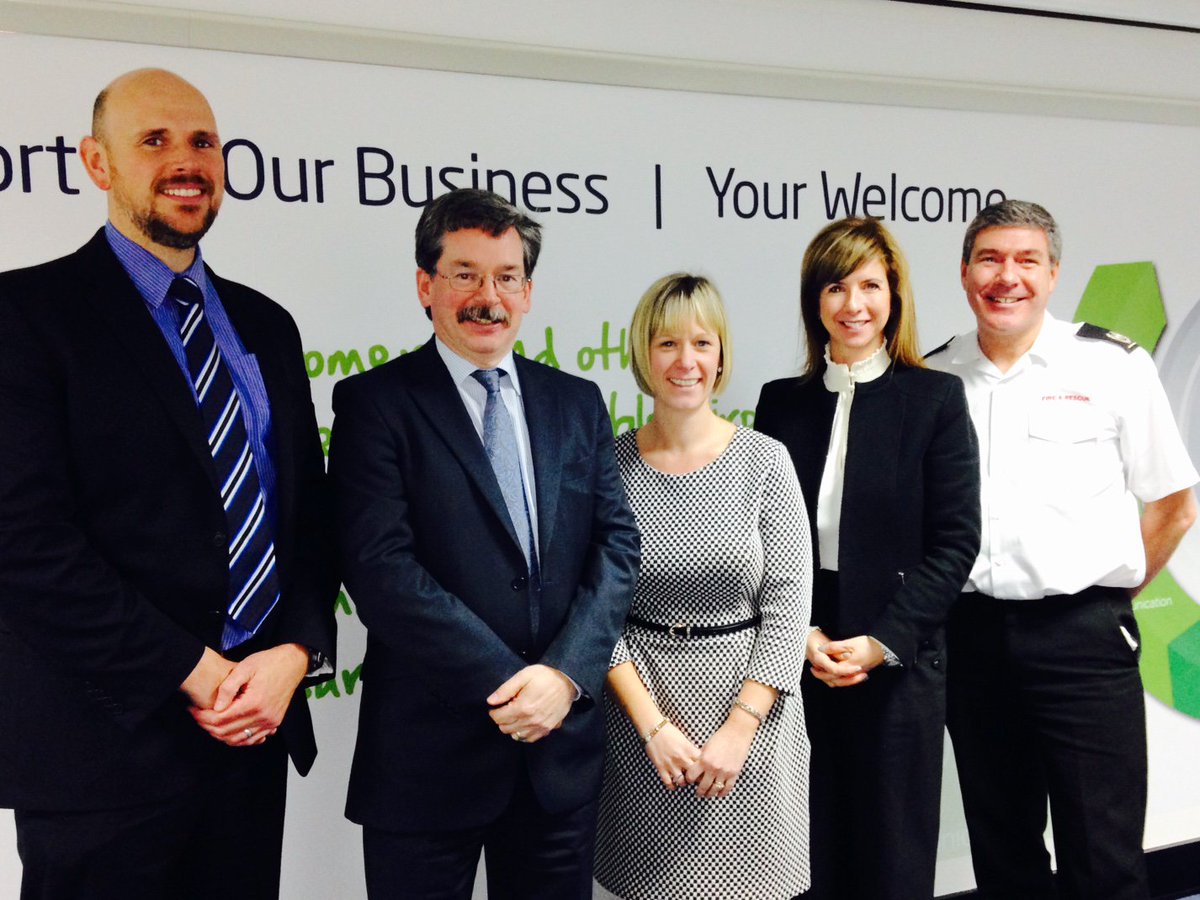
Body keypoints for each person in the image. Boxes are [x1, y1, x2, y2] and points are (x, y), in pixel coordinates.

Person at [0, 69, 338, 899]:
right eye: (154, 140)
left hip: (251, 740)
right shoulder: (25, 314)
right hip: (101, 756)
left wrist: (294, 652)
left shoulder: (266, 324)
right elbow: (24, 541)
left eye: (202, 142)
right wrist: (195, 670)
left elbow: (307, 519)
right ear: (98, 162)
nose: (186, 161)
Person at [329, 187, 640, 899]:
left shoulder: (576, 402)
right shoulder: (376, 404)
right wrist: (515, 684)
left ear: (527, 293)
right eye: (465, 274)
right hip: (427, 762)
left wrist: (562, 678)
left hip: (557, 759)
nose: (487, 297)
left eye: (506, 277)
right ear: (426, 285)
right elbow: (380, 568)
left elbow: (616, 549)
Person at [926, 199, 1198, 900]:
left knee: (1103, 857)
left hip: (1084, 639)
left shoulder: (1112, 364)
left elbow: (1175, 505)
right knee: (1003, 851)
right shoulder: (933, 378)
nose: (1007, 277)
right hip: (972, 638)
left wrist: (1108, 599)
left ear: (1053, 274)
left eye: (1027, 260)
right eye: (990, 259)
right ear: (964, 273)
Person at [754, 217, 981, 899]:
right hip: (801, 658)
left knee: (892, 865)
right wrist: (802, 634)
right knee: (806, 859)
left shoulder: (935, 398)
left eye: (869, 286)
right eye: (835, 287)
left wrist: (882, 642)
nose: (853, 304)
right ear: (814, 301)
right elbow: (762, 537)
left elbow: (956, 542)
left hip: (897, 660)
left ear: (894, 296)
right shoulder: (781, 404)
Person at [594, 273, 812, 900]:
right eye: (667, 343)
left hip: (754, 724)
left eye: (701, 343)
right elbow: (597, 606)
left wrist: (740, 729)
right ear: (643, 354)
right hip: (642, 724)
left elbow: (788, 603)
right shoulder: (608, 465)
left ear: (721, 356)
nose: (685, 361)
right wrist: (652, 728)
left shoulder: (765, 461)